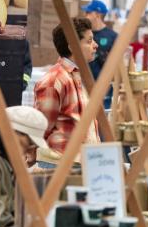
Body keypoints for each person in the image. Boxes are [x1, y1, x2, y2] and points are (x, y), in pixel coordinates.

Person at [34, 19, 100, 153]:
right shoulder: (54, 80)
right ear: (72, 47)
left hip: (80, 164)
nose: (95, 45)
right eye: (89, 41)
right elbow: (41, 129)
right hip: (59, 165)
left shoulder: (78, 77)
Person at [82, 0, 118, 108]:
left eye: (88, 13)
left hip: (105, 93)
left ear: (97, 15)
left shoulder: (112, 37)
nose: (85, 15)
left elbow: (117, 67)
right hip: (84, 89)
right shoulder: (84, 35)